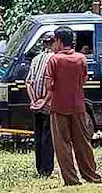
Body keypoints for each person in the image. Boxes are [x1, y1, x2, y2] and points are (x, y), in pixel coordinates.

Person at [45, 26, 101, 186]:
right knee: (83, 142)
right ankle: (91, 175)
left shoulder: (54, 60)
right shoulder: (81, 58)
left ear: (59, 41)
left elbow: (49, 85)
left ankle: (71, 179)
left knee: (62, 145)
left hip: (58, 107)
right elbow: (83, 81)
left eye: (54, 41)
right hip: (78, 106)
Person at [25, 32, 55, 177]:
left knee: (38, 136)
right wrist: (45, 100)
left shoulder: (36, 59)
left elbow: (28, 82)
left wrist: (33, 100)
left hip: (36, 104)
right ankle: (47, 169)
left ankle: (40, 168)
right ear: (54, 42)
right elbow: (52, 84)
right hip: (48, 104)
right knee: (48, 137)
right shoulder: (54, 59)